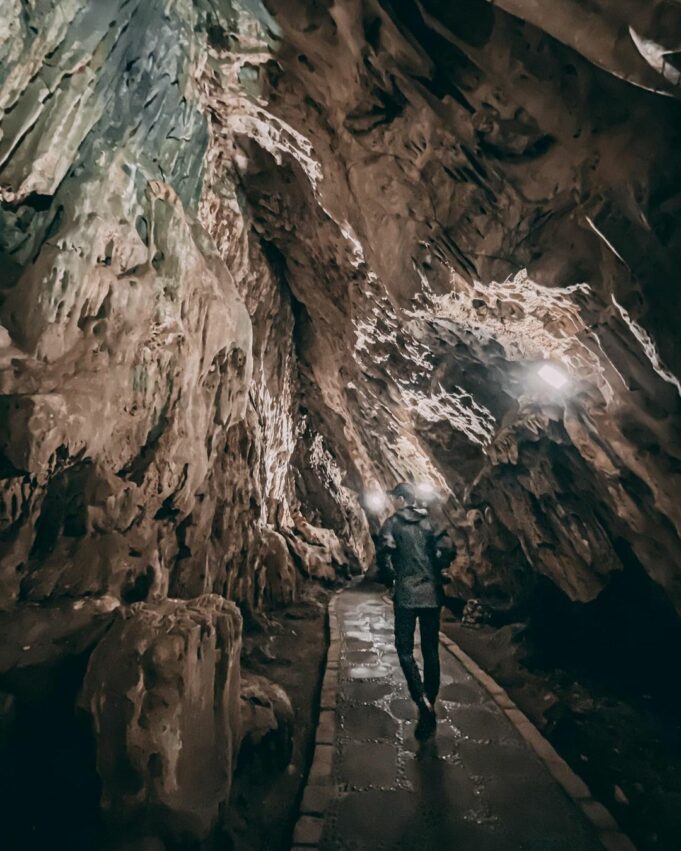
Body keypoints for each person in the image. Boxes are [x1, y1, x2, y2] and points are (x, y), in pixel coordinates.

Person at [377, 482, 453, 739]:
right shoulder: (430, 521)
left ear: (401, 499)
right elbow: (447, 549)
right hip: (432, 594)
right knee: (431, 650)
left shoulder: (392, 524)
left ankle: (421, 702)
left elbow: (384, 554)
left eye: (394, 498)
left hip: (407, 596)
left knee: (404, 650)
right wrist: (438, 567)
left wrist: (392, 579)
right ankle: (429, 703)